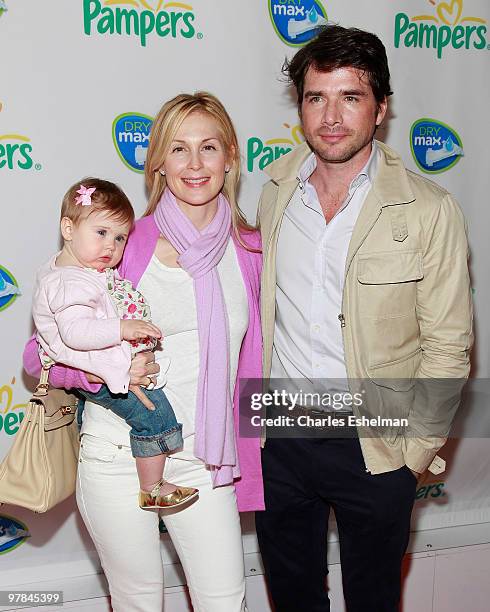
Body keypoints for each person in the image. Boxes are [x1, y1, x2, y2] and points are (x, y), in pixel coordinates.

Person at [254, 25, 473, 612]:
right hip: (282, 433)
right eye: (315, 96)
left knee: (373, 601)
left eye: (350, 97)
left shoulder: (429, 209)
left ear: (380, 109)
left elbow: (449, 344)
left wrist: (416, 453)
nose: (330, 116)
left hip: (378, 442)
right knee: (293, 599)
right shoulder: (273, 191)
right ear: (299, 105)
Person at [24, 92, 264, 612]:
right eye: (178, 149)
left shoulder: (251, 249)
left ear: (230, 157)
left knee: (226, 600)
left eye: (208, 147)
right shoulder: (124, 241)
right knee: (139, 602)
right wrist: (109, 372)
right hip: (115, 455)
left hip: (207, 457)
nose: (195, 164)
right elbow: (37, 353)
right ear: (157, 163)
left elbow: (255, 363)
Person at [32, 178, 198, 510]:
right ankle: (152, 485)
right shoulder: (70, 281)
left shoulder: (78, 270)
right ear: (68, 228)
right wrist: (123, 328)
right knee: (154, 414)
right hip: (99, 372)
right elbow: (76, 333)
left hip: (101, 367)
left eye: (120, 237)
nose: (111, 246)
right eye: (101, 233)